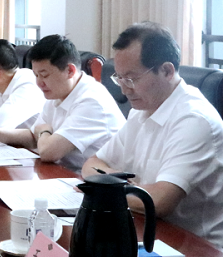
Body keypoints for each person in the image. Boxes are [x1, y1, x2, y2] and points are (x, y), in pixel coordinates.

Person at [83, 23, 223, 247]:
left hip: (194, 245)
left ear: (167, 71)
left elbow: (159, 201)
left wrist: (105, 186)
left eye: (132, 79)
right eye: (119, 78)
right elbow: (92, 164)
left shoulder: (195, 120)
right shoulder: (142, 110)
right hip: (148, 229)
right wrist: (117, 183)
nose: (124, 89)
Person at [0, 35, 125, 171]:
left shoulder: (92, 101)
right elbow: (33, 136)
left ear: (70, 71)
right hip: (65, 173)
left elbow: (48, 152)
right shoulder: (58, 93)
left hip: (95, 181)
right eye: (36, 75)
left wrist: (44, 131)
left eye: (44, 75)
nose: (39, 83)